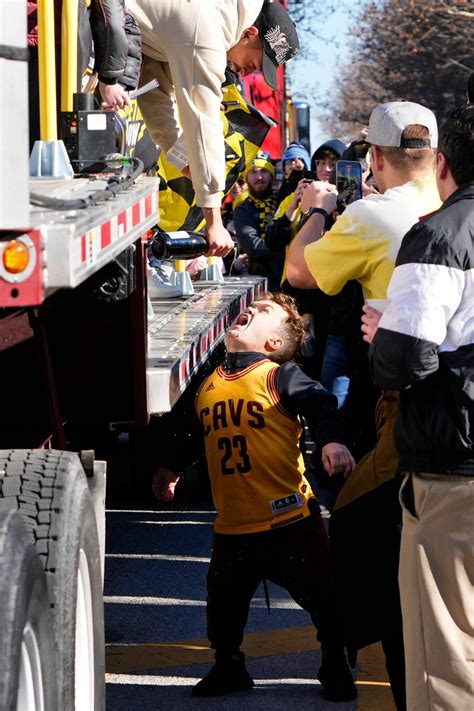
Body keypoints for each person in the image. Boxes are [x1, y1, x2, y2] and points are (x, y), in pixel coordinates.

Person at [285, 101, 442, 710]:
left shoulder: (373, 214)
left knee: (356, 522)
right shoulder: (453, 206)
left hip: (406, 399)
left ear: (374, 158)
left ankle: (368, 647)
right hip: (452, 387)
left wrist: (321, 207)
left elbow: (300, 271)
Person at [192, 292, 357, 701]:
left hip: (290, 521)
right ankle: (229, 665)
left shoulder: (279, 375)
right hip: (233, 526)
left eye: (264, 311)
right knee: (223, 604)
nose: (252, 309)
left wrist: (332, 442)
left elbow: (322, 404)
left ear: (275, 345)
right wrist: (169, 469)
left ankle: (334, 661)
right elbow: (192, 439)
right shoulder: (208, 384)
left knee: (323, 595)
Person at [363, 104, 474, 711]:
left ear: (446, 163)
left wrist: (384, 333)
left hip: (455, 470)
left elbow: (402, 362)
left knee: (447, 664)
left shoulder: (441, 235)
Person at [121, 0, 299, 257]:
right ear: (249, 33)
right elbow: (204, 124)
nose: (247, 73)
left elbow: (152, 87)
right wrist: (214, 221)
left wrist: (181, 157)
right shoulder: (208, 32)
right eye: (254, 63)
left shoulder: (209, 17)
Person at [233, 156, 283, 289]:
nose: (259, 177)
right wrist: (286, 250)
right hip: (258, 278)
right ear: (246, 178)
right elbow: (253, 247)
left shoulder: (283, 203)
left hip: (285, 276)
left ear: (272, 176)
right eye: (253, 172)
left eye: (264, 171)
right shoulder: (243, 209)